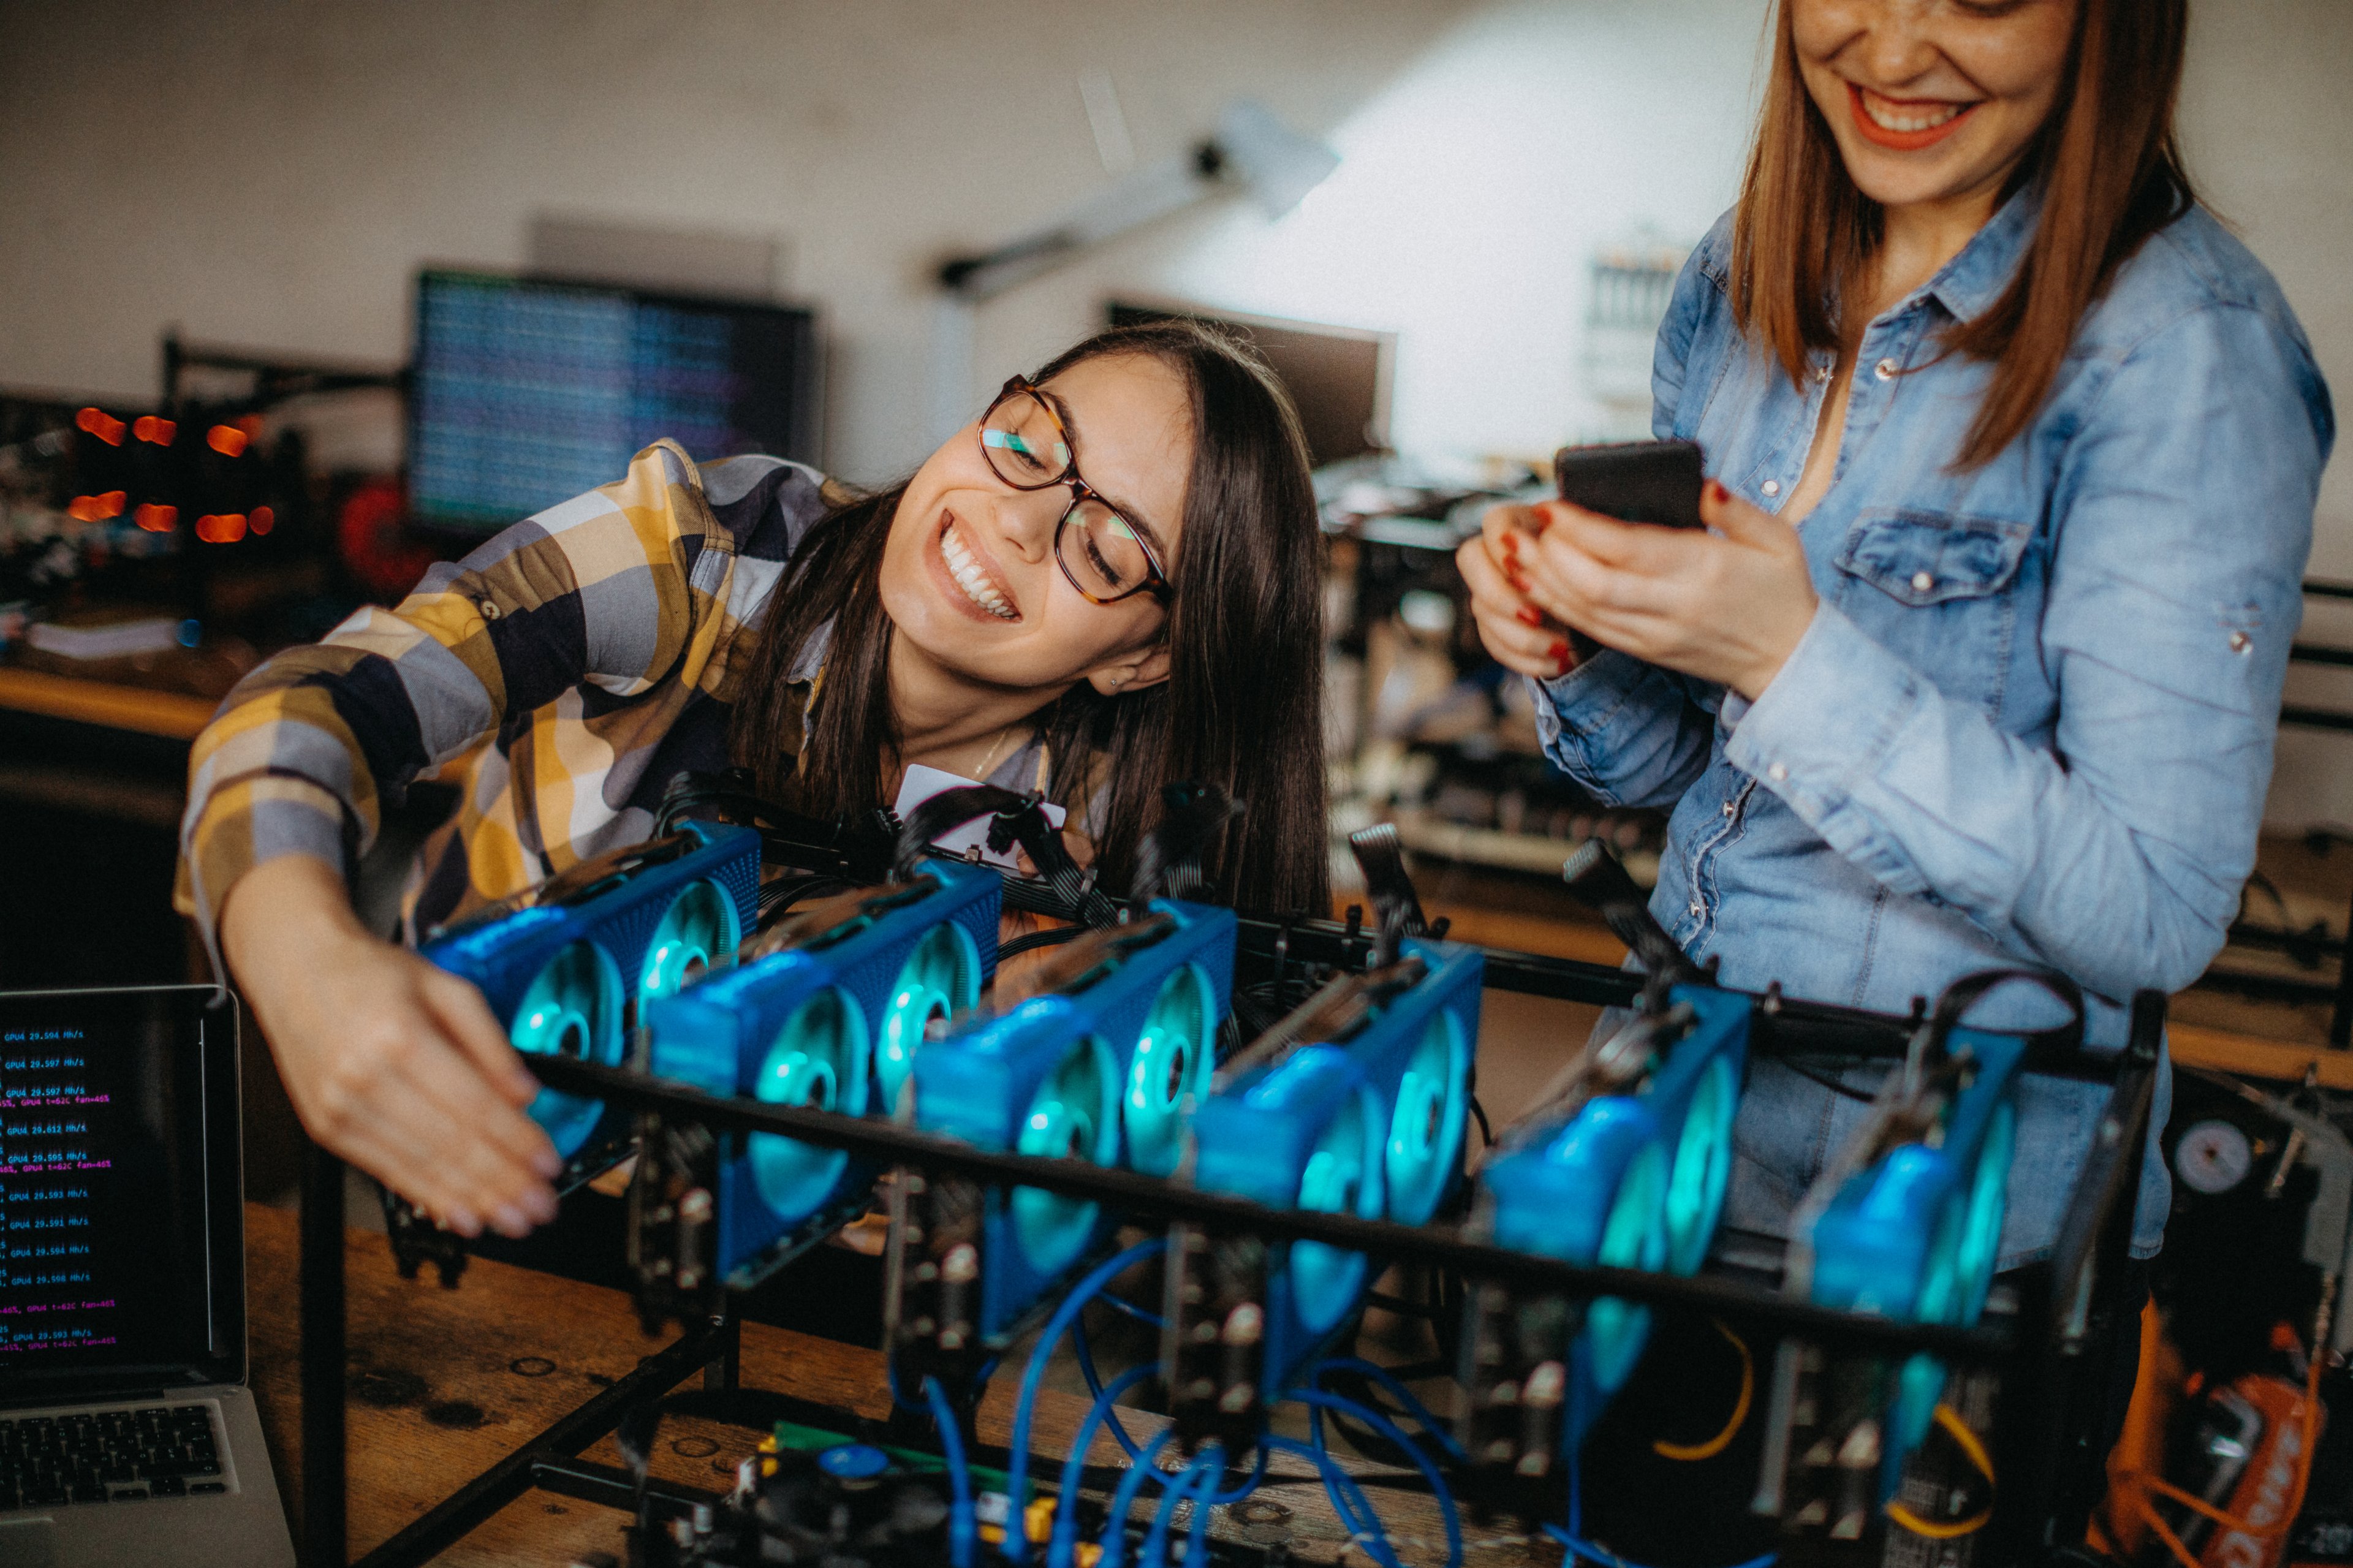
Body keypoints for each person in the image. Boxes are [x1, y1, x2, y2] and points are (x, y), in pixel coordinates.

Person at [1461, 0, 2330, 1285]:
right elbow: (1672, 774)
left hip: (1950, 1243)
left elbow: (2154, 910)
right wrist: (1574, 638)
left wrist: (1789, 659)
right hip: (1666, 1131)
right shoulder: (1740, 268)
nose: (1892, 48)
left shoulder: (2188, 352)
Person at [177, 319, 1329, 1243]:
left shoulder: (1117, 832)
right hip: (473, 1172)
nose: (1016, 520)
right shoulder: (695, 557)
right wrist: (305, 963)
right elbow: (318, 702)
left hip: (817, 1274)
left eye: (1107, 547)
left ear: (1143, 659)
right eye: (1029, 443)